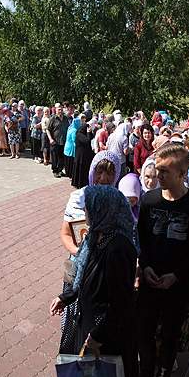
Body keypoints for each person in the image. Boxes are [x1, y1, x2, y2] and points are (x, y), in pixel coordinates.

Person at [137, 143, 189, 377]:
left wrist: (177, 275)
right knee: (144, 333)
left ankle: (163, 376)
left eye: (165, 171)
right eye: (157, 169)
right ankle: (145, 375)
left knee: (170, 337)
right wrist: (145, 266)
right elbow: (142, 239)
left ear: (182, 174)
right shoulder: (149, 201)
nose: (158, 175)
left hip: (178, 287)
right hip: (150, 282)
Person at [50, 185, 138, 377]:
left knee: (105, 375)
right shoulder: (96, 236)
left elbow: (121, 303)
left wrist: (98, 336)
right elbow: (85, 275)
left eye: (89, 206)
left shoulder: (118, 248)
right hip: (90, 324)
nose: (85, 211)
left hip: (106, 332)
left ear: (104, 209)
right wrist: (66, 297)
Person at [59, 150, 122, 354]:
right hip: (78, 265)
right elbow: (65, 233)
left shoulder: (119, 200)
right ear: (91, 171)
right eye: (99, 171)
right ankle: (72, 353)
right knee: (73, 318)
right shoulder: (78, 197)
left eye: (110, 172)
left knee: (97, 323)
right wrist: (81, 252)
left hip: (103, 273)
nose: (103, 178)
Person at [47, 103, 69, 178]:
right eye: (59, 109)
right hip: (55, 141)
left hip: (64, 141)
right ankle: (55, 171)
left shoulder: (65, 118)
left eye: (61, 109)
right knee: (54, 157)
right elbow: (48, 129)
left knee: (62, 157)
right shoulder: (53, 118)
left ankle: (60, 170)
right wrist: (50, 139)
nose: (60, 110)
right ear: (55, 110)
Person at [72, 118, 94, 189]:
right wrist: (88, 133)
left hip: (85, 155)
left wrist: (90, 132)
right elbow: (87, 140)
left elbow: (91, 137)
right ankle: (79, 183)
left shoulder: (83, 133)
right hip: (80, 155)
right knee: (80, 169)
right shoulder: (79, 134)